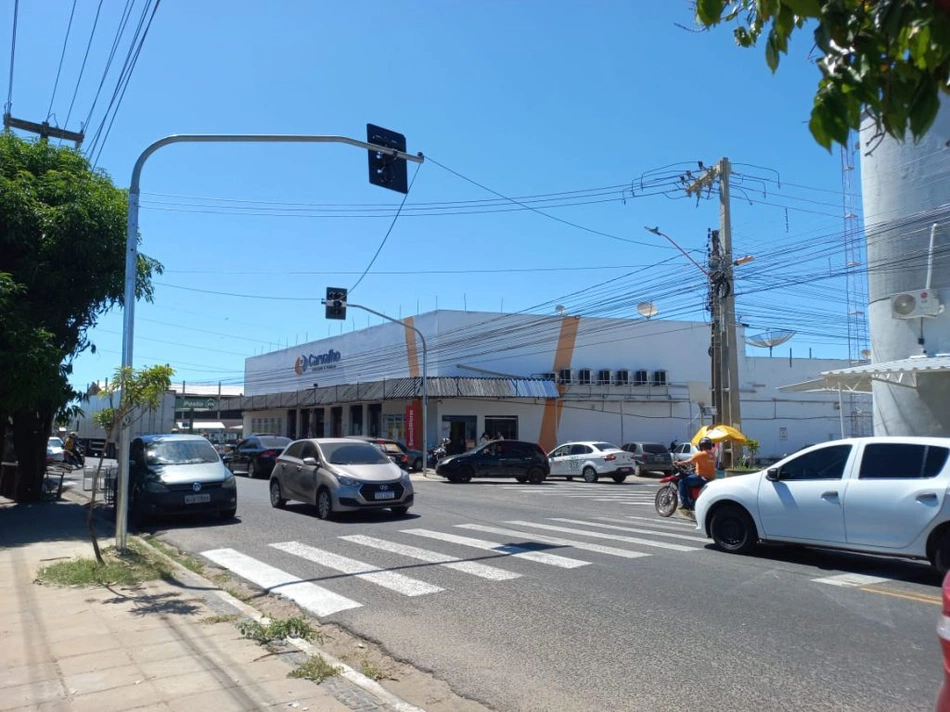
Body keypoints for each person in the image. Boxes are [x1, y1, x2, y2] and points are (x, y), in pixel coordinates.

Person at [678, 437, 716, 511]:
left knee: (682, 482)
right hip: (711, 478)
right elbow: (705, 465)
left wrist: (678, 463)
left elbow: (688, 461)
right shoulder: (712, 455)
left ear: (701, 446)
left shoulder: (700, 454)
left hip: (701, 478)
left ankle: (685, 504)